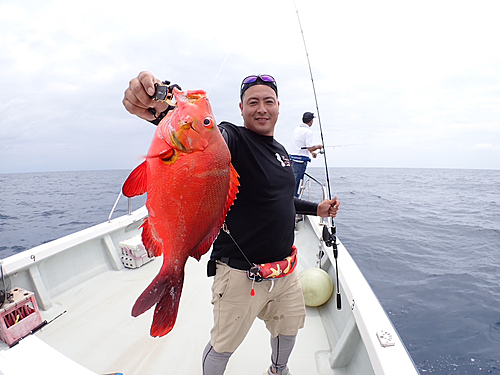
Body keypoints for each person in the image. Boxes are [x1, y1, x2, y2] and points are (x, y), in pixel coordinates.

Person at [123, 72, 340, 375]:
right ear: (241, 108)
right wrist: (166, 107)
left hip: (285, 270)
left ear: (279, 106)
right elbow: (200, 134)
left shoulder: (281, 153)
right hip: (240, 274)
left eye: (268, 101)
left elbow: (280, 199)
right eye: (253, 102)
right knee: (224, 344)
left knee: (289, 328)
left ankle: (278, 371)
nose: (261, 108)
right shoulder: (232, 139)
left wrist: (317, 208)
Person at [289, 112, 324, 197]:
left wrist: (312, 153)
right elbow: (310, 147)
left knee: (291, 183)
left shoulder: (297, 129)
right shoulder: (308, 132)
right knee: (296, 184)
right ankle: (294, 204)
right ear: (311, 121)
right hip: (300, 162)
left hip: (292, 160)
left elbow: (301, 145)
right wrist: (319, 146)